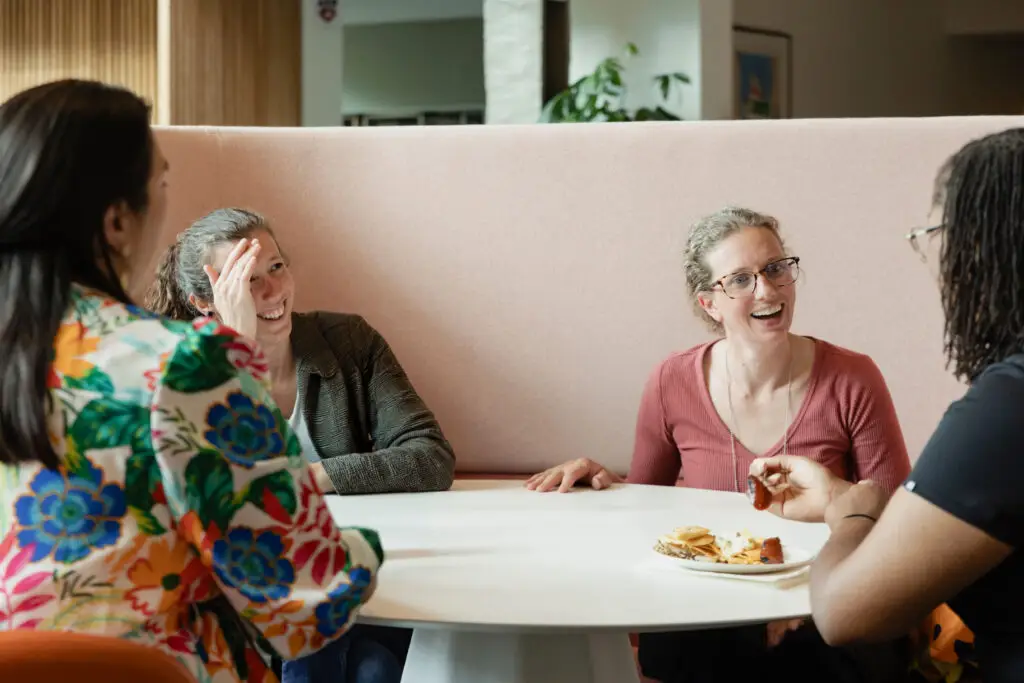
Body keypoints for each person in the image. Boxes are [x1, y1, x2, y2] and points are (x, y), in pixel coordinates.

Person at [0, 79, 383, 683]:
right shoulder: (185, 364)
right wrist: (367, 551)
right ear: (118, 222)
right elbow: (306, 601)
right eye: (162, 186)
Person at [526, 207, 912, 682]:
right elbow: (646, 510)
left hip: (822, 607)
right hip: (702, 611)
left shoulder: (854, 377)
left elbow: (897, 521)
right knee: (687, 643)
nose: (767, 290)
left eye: (775, 269)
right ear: (709, 302)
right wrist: (601, 481)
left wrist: (804, 597)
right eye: (741, 280)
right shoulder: (672, 380)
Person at [748, 127, 1024, 683]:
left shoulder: (1008, 408)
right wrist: (846, 495)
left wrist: (849, 515)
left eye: (936, 234)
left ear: (984, 247)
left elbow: (845, 613)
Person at [146, 208, 455, 681]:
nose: (273, 292)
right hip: (249, 599)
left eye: (277, 267)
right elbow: (209, 503)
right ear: (205, 302)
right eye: (250, 280)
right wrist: (236, 350)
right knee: (366, 668)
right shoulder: (184, 373)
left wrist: (310, 478)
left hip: (357, 583)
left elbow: (430, 457)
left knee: (371, 666)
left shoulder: (348, 341)